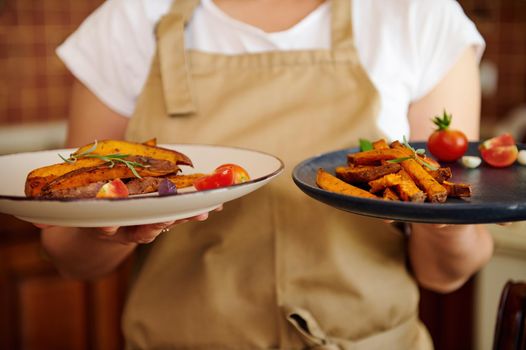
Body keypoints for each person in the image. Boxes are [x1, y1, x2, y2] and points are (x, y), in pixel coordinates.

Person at [40, 0, 495, 348]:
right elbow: (69, 257)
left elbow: (444, 274)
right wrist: (108, 233)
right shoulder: (131, 19)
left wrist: (442, 218)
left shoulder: (419, 16)